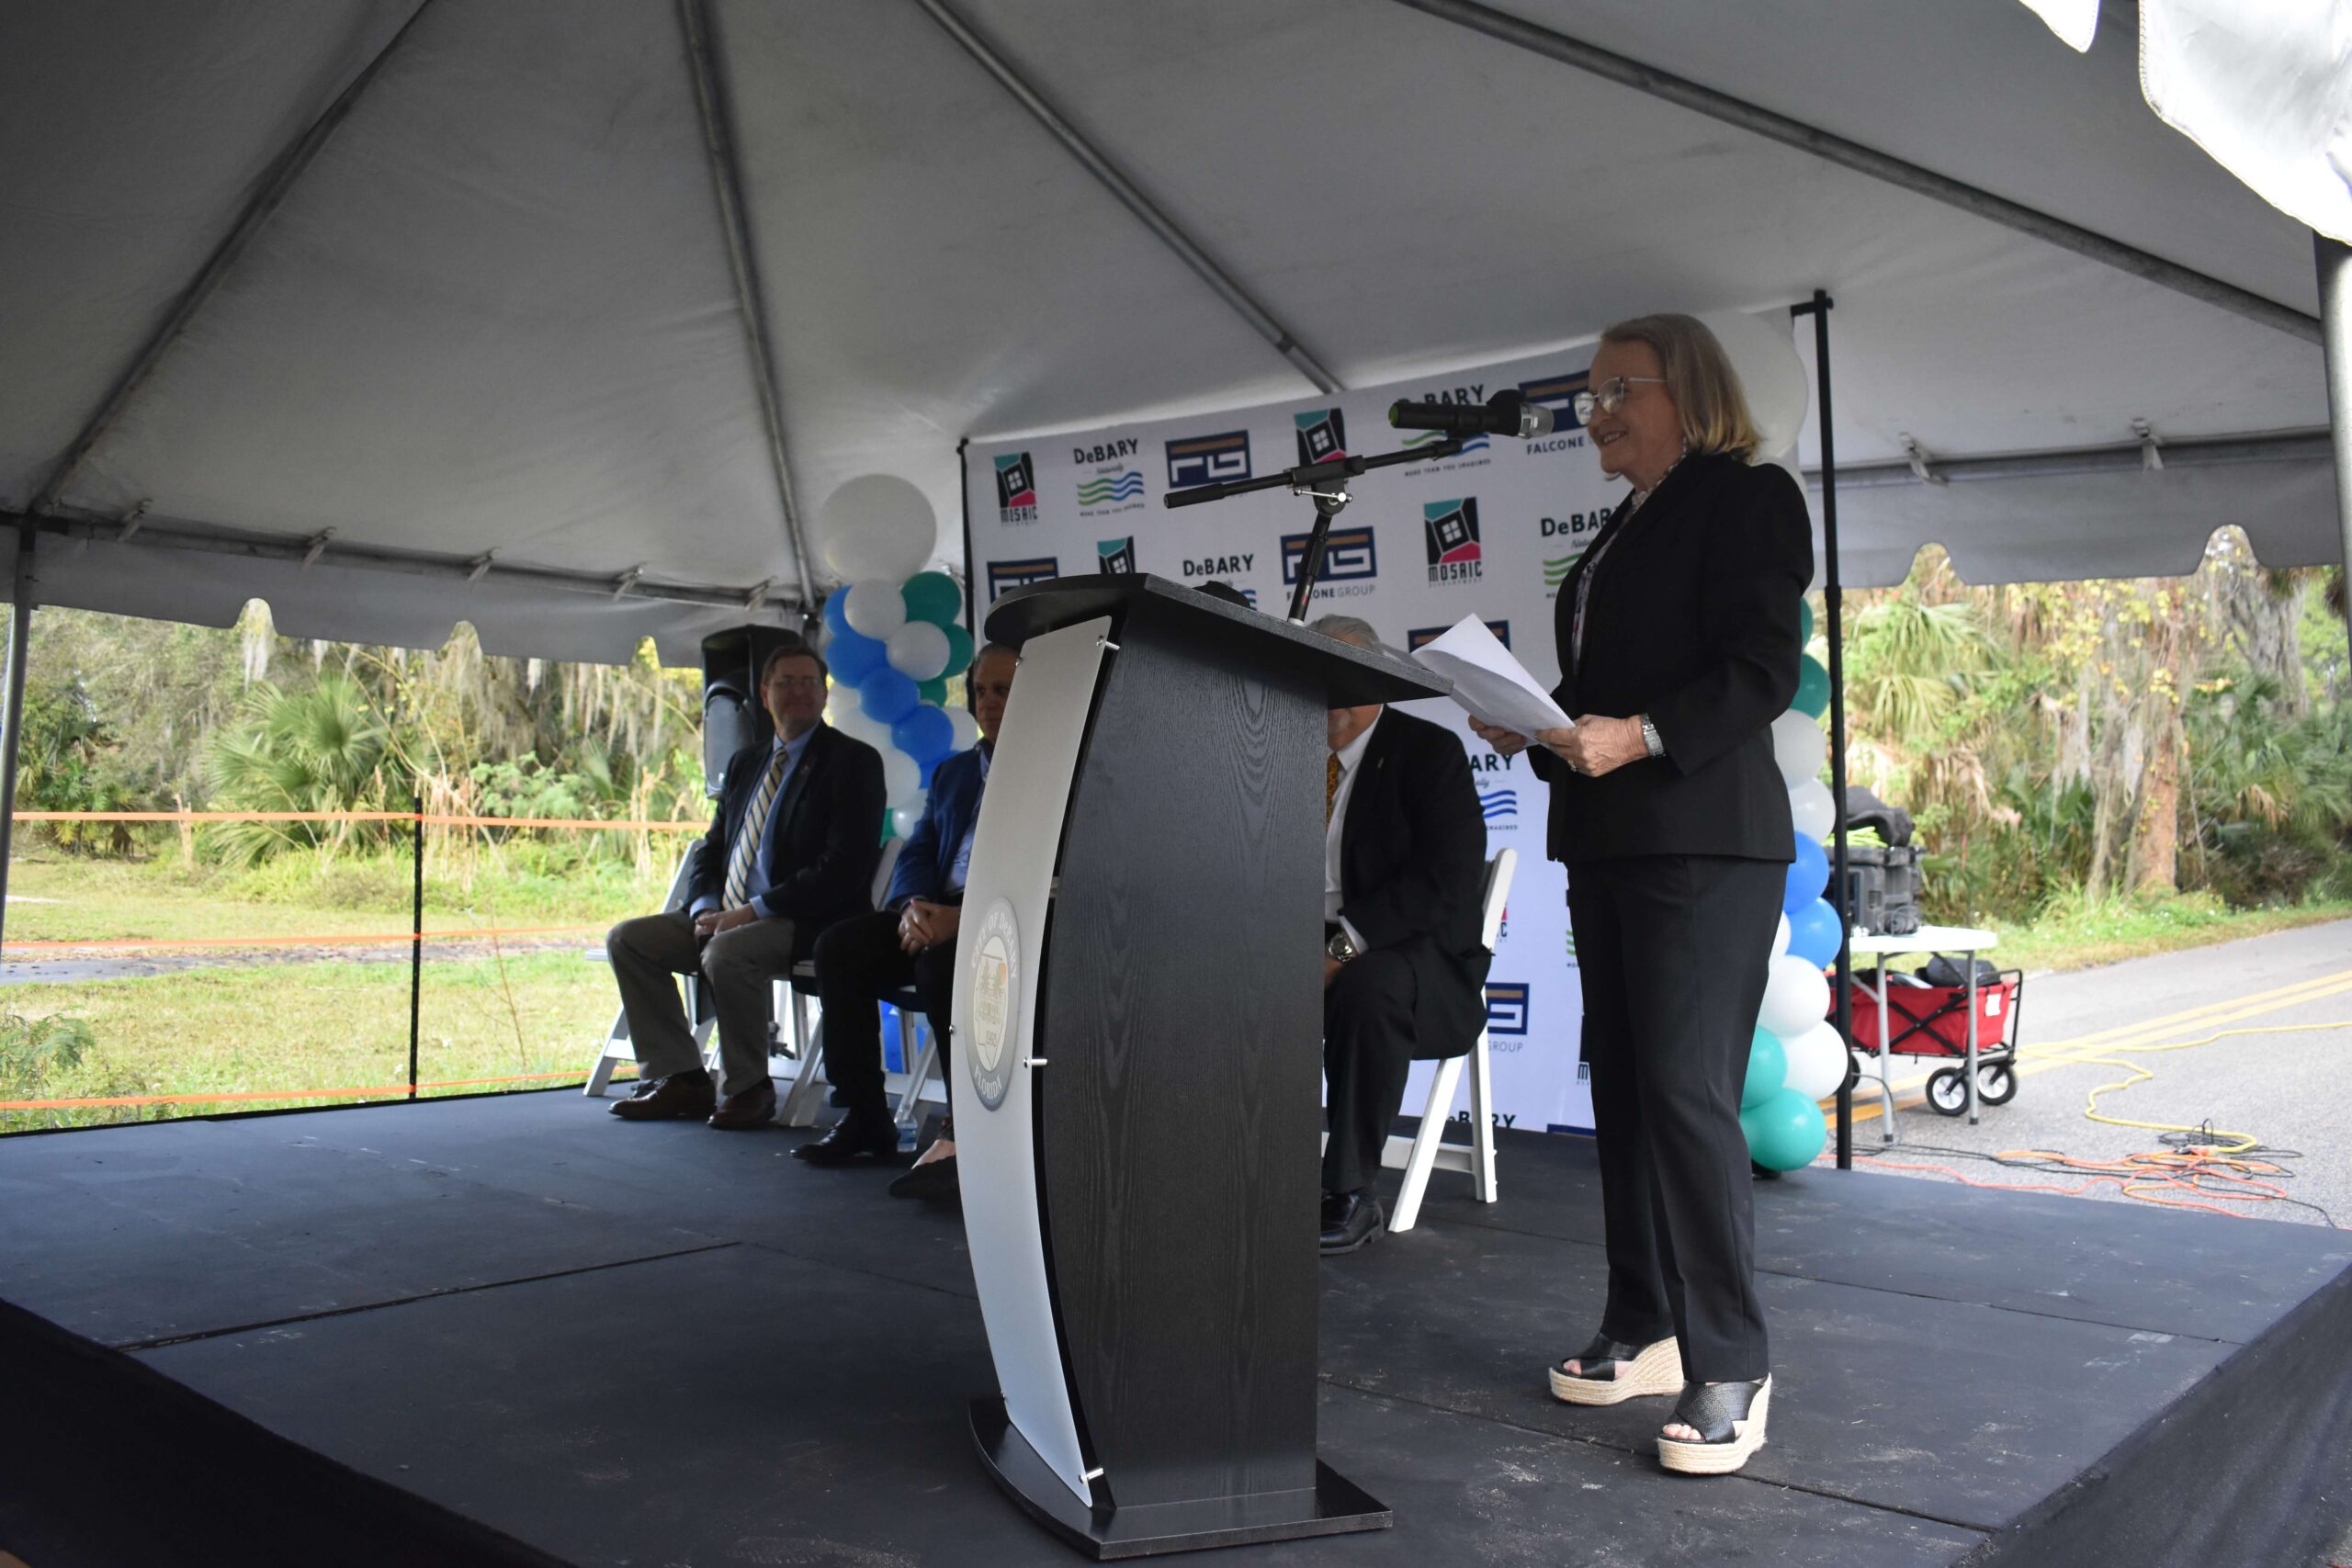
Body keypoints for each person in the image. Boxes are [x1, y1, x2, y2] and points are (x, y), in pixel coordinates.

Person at [1469, 313, 1811, 1475]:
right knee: (1622, 1087)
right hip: (1610, 841)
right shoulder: (1621, 528)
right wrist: (1532, 718)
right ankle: (1648, 1320)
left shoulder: (1746, 498)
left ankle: (1733, 1360)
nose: (1597, 411)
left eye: (1620, 387)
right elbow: (1601, 700)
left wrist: (1646, 735)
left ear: (1688, 390)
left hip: (1704, 844)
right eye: (1588, 394)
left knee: (1684, 1091)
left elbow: (1761, 668)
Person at [606, 645, 886, 1130]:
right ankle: (683, 1078)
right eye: (785, 682)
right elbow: (710, 851)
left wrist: (749, 912)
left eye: (808, 682)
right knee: (628, 939)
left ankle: (749, 1087)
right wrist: (704, 908)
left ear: (824, 694)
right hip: (726, 913)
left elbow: (843, 867)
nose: (797, 691)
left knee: (728, 953)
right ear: (763, 693)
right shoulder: (745, 763)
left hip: (802, 918)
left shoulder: (852, 762)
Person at [800, 643, 1018, 1190]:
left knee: (939, 966)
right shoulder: (955, 772)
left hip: (1003, 922)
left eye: (1004, 691)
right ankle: (865, 1116)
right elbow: (919, 846)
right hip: (931, 912)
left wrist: (960, 918)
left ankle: (967, 1127)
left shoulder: (1057, 771)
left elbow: (1044, 876)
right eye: (981, 691)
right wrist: (910, 907)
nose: (988, 704)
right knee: (839, 947)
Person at [1312, 615, 1491, 1255]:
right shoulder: (1284, 751)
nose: (1328, 694)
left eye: (1343, 677)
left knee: (1367, 985)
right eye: (1316, 674)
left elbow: (1446, 880)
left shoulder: (1427, 752)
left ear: (1375, 678)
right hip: (1310, 939)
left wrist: (1342, 946)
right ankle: (1220, 1160)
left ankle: (1351, 1190)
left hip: (1421, 963)